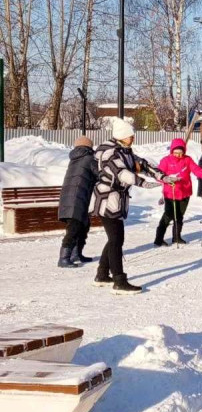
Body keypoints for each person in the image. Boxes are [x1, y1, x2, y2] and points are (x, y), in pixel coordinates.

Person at [93, 118, 171, 294]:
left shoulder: (124, 150)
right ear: (121, 135)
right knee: (116, 239)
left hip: (116, 200)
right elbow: (121, 173)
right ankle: (119, 281)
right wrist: (143, 183)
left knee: (115, 238)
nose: (133, 137)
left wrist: (163, 177)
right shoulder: (109, 152)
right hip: (107, 200)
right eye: (130, 135)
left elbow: (142, 164)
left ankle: (102, 274)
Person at [154, 139, 202, 246]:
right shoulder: (166, 161)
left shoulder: (187, 160)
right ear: (172, 151)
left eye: (180, 153)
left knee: (180, 215)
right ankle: (159, 238)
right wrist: (167, 178)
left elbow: (196, 170)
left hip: (184, 193)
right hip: (170, 193)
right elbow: (158, 175)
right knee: (168, 215)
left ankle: (176, 237)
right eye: (175, 152)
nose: (178, 155)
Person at [57, 136, 99, 268]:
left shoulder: (74, 159)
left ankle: (76, 254)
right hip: (77, 198)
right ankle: (63, 258)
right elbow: (99, 174)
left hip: (70, 198)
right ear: (89, 147)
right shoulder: (89, 158)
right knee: (74, 229)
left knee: (83, 225)